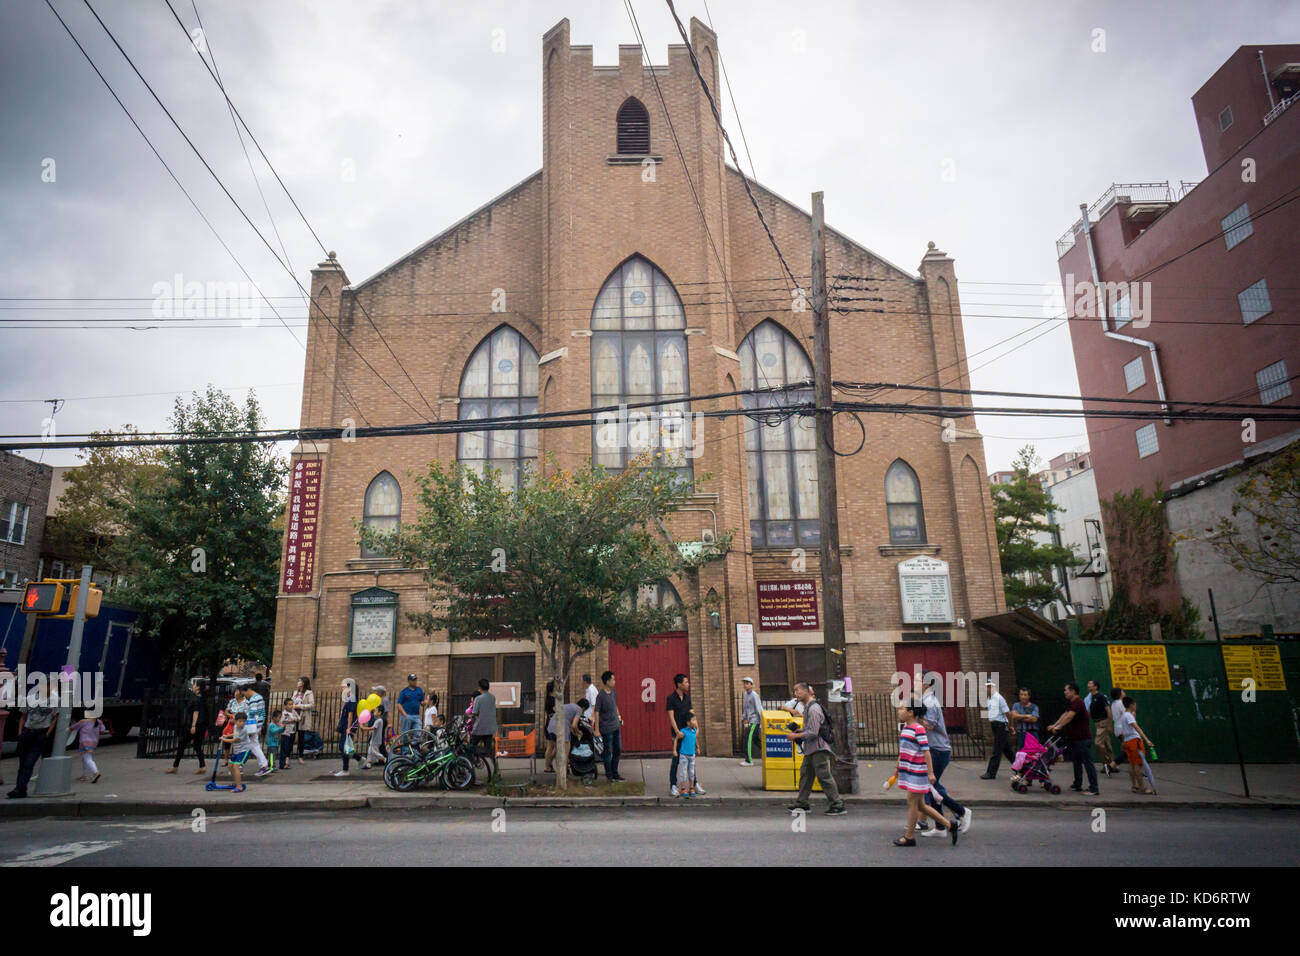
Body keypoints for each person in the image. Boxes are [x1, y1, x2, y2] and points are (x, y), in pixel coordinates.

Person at [892, 698, 959, 847]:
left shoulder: (918, 728)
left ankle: (909, 837)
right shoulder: (905, 727)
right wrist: (898, 765)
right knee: (921, 805)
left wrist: (931, 773)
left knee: (912, 803)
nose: (899, 711)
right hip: (909, 770)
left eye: (902, 708)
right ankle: (950, 825)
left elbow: (926, 751)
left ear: (911, 712)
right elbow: (903, 749)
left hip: (918, 772)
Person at [785, 681, 846, 816]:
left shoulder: (813, 709)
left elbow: (813, 732)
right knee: (806, 775)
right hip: (811, 749)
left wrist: (795, 736)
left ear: (807, 691)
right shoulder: (808, 708)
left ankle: (837, 804)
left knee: (824, 776)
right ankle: (802, 803)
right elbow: (811, 729)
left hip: (818, 748)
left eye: (798, 690)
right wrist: (800, 730)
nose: (796, 694)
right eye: (794, 691)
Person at [920, 677, 971, 832]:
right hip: (933, 749)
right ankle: (940, 826)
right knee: (932, 787)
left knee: (931, 786)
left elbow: (929, 726)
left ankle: (961, 811)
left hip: (938, 750)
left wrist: (913, 717)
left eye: (916, 680)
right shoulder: (924, 700)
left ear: (927, 683)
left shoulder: (930, 703)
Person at [1047, 682, 1099, 795]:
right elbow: (1064, 715)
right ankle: (1077, 784)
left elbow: (1069, 717)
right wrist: (1054, 725)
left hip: (1083, 739)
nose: (1065, 692)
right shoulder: (1072, 703)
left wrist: (1059, 727)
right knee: (1076, 762)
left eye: (1066, 690)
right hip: (1076, 739)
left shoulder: (1078, 702)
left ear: (1073, 691)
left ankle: (1094, 788)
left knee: (1087, 763)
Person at [6, 694, 58, 799]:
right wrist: (20, 732)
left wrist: (46, 734)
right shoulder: (30, 698)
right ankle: (20, 789)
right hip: (27, 731)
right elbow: (23, 716)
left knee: (29, 762)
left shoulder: (55, 700)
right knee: (23, 763)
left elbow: (55, 718)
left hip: (40, 733)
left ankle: (19, 789)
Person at [666, 674, 704, 796]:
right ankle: (673, 785)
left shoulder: (687, 698)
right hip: (679, 734)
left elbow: (692, 714)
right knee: (676, 760)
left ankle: (694, 784)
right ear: (679, 684)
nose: (688, 684)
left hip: (688, 734)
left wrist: (697, 727)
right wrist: (677, 731)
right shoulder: (671, 698)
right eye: (686, 682)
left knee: (691, 759)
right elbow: (671, 717)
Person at [167, 682, 210, 775]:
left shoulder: (197, 699)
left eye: (194, 685)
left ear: (198, 687)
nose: (193, 687)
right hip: (202, 726)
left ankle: (175, 766)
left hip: (195, 725)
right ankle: (202, 766)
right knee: (197, 745)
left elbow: (196, 712)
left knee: (182, 744)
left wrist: (193, 725)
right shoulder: (203, 698)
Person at [1117, 697, 1157, 794]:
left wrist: (1123, 742)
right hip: (1135, 741)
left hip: (1127, 742)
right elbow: (1136, 728)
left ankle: (1134, 786)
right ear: (1131, 705)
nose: (1136, 706)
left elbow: (1123, 731)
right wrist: (1146, 740)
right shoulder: (1129, 716)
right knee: (1138, 765)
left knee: (1131, 764)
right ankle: (1142, 787)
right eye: (1135, 704)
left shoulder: (1123, 716)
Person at [980, 677, 1017, 779]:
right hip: (995, 726)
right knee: (1007, 750)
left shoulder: (999, 698)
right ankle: (1020, 768)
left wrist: (1010, 726)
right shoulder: (989, 698)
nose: (988, 689)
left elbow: (1008, 713)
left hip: (1001, 726)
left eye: (990, 687)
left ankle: (991, 773)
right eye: (987, 687)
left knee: (997, 750)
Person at [594, 670, 623, 781]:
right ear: (607, 681)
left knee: (618, 749)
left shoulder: (613, 692)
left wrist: (619, 716)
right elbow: (596, 712)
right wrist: (597, 729)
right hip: (606, 728)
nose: (614, 681)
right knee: (608, 751)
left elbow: (615, 706)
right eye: (613, 679)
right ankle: (609, 775)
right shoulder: (600, 696)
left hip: (616, 726)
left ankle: (615, 772)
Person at [1085, 679, 1117, 776]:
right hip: (1097, 723)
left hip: (1103, 723)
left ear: (1096, 687)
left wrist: (1109, 725)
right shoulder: (1090, 698)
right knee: (1107, 745)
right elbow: (1090, 712)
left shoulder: (1101, 697)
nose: (1088, 686)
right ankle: (1113, 765)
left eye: (1090, 685)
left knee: (1098, 743)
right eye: (1088, 684)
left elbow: (1108, 710)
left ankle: (1107, 764)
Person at [241, 685, 272, 777]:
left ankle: (264, 766)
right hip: (256, 726)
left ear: (248, 690)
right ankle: (263, 766)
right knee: (253, 745)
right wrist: (259, 727)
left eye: (244, 694)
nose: (245, 696)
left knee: (254, 746)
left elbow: (252, 714)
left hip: (252, 726)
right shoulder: (259, 697)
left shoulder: (254, 699)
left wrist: (251, 727)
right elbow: (262, 714)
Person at [70, 711, 107, 784]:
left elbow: (72, 728)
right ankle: (84, 775)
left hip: (84, 742)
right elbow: (102, 730)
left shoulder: (83, 721)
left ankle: (95, 772)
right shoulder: (99, 722)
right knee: (84, 758)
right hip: (93, 742)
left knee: (87, 758)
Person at [220, 712, 252, 792]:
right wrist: (227, 735)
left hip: (244, 751)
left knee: (235, 766)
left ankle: (239, 786)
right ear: (236, 721)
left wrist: (224, 739)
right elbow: (235, 734)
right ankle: (236, 783)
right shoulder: (235, 727)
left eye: (244, 721)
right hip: (238, 751)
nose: (242, 723)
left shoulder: (244, 730)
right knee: (230, 766)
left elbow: (235, 740)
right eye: (240, 721)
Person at [361, 684, 388, 770]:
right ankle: (368, 763)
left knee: (373, 751)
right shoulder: (377, 719)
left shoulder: (379, 720)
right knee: (370, 751)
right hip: (374, 739)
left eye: (375, 711)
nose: (373, 712)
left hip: (376, 740)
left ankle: (384, 759)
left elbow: (373, 728)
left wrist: (364, 728)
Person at [334, 680, 358, 777]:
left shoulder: (352, 699)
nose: (342, 689)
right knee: (345, 747)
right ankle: (360, 759)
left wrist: (349, 728)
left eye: (344, 687)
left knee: (343, 747)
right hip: (344, 726)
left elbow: (350, 715)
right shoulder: (348, 699)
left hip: (347, 727)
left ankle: (345, 770)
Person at [469, 678, 497, 759]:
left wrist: (471, 723)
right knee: (489, 750)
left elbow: (475, 713)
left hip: (479, 728)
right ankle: (495, 767)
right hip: (490, 728)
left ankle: (470, 764)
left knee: (471, 746)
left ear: (480, 688)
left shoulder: (478, 698)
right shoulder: (492, 697)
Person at [739, 676, 762, 767]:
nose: (745, 685)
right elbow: (745, 708)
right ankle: (767, 753)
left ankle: (749, 760)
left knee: (748, 739)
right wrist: (743, 717)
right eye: (744, 683)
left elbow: (758, 708)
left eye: (748, 683)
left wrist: (761, 722)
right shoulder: (745, 695)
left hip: (755, 721)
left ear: (752, 685)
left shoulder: (754, 695)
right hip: (750, 720)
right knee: (756, 739)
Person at [292, 677, 315, 766]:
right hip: (293, 716)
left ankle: (300, 757)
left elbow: (312, 704)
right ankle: (287, 756)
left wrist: (300, 706)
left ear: (303, 683)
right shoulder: (295, 692)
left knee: (301, 738)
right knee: (291, 736)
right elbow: (291, 702)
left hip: (302, 717)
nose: (298, 682)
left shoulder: (309, 693)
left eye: (299, 681)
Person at [677, 714, 699, 797]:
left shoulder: (694, 731)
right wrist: (675, 750)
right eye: (693, 720)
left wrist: (698, 747)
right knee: (683, 771)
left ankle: (691, 787)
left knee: (692, 771)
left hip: (692, 754)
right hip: (684, 754)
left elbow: (695, 739)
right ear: (688, 722)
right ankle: (683, 788)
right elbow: (676, 738)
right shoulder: (683, 731)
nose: (695, 722)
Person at [277, 698, 299, 770]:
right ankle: (282, 764)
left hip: (292, 731)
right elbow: (281, 721)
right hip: (285, 732)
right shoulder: (283, 713)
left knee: (289, 748)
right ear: (285, 706)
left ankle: (287, 762)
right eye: (289, 704)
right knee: (284, 748)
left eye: (292, 704)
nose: (291, 706)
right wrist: (290, 720)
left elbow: (299, 717)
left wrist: (295, 719)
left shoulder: (294, 712)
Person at [1109, 687, 1127, 765]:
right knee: (1128, 750)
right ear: (1119, 694)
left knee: (1126, 749)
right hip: (1123, 729)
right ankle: (1112, 765)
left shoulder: (1113, 704)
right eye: (1122, 691)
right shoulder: (1121, 703)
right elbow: (1127, 715)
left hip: (1118, 729)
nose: (1124, 692)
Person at [543, 681, 558, 772]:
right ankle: (547, 765)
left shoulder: (548, 698)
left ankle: (548, 765)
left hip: (549, 723)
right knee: (554, 747)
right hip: (552, 725)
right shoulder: (552, 700)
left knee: (551, 746)